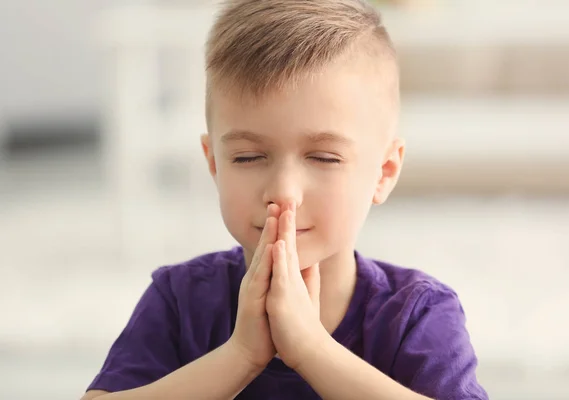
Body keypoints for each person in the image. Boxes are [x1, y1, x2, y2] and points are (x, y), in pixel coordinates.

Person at [82, 0, 488, 399]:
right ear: (214, 164)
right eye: (248, 156)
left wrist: (312, 351)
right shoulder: (179, 300)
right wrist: (240, 356)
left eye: (324, 157)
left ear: (383, 172)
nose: (283, 191)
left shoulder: (416, 314)